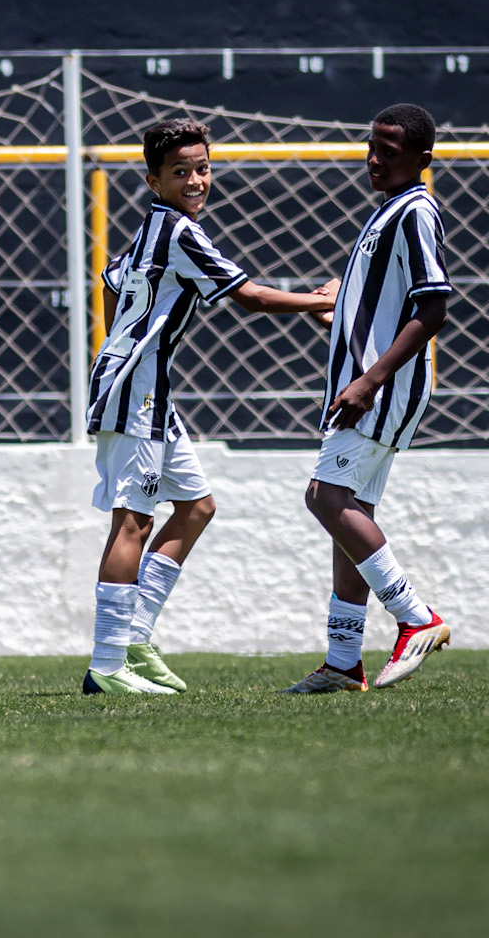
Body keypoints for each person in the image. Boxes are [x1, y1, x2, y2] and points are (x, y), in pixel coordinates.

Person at [79, 120, 338, 695]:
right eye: (180, 172)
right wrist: (319, 299)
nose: (195, 180)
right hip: (136, 392)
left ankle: (135, 639)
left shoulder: (152, 229)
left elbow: (111, 282)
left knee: (196, 508)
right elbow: (247, 296)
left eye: (201, 168)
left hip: (149, 389)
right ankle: (105, 665)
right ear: (153, 179)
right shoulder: (179, 233)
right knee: (134, 522)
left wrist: (122, 342)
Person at [282, 103, 455, 695]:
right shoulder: (387, 213)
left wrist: (370, 379)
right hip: (363, 386)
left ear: (422, 161)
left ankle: (415, 618)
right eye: (372, 147)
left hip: (380, 390)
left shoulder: (414, 211)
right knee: (349, 515)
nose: (375, 159)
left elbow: (433, 307)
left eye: (390, 151)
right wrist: (339, 316)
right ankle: (342, 661)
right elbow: (380, 312)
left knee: (323, 496)